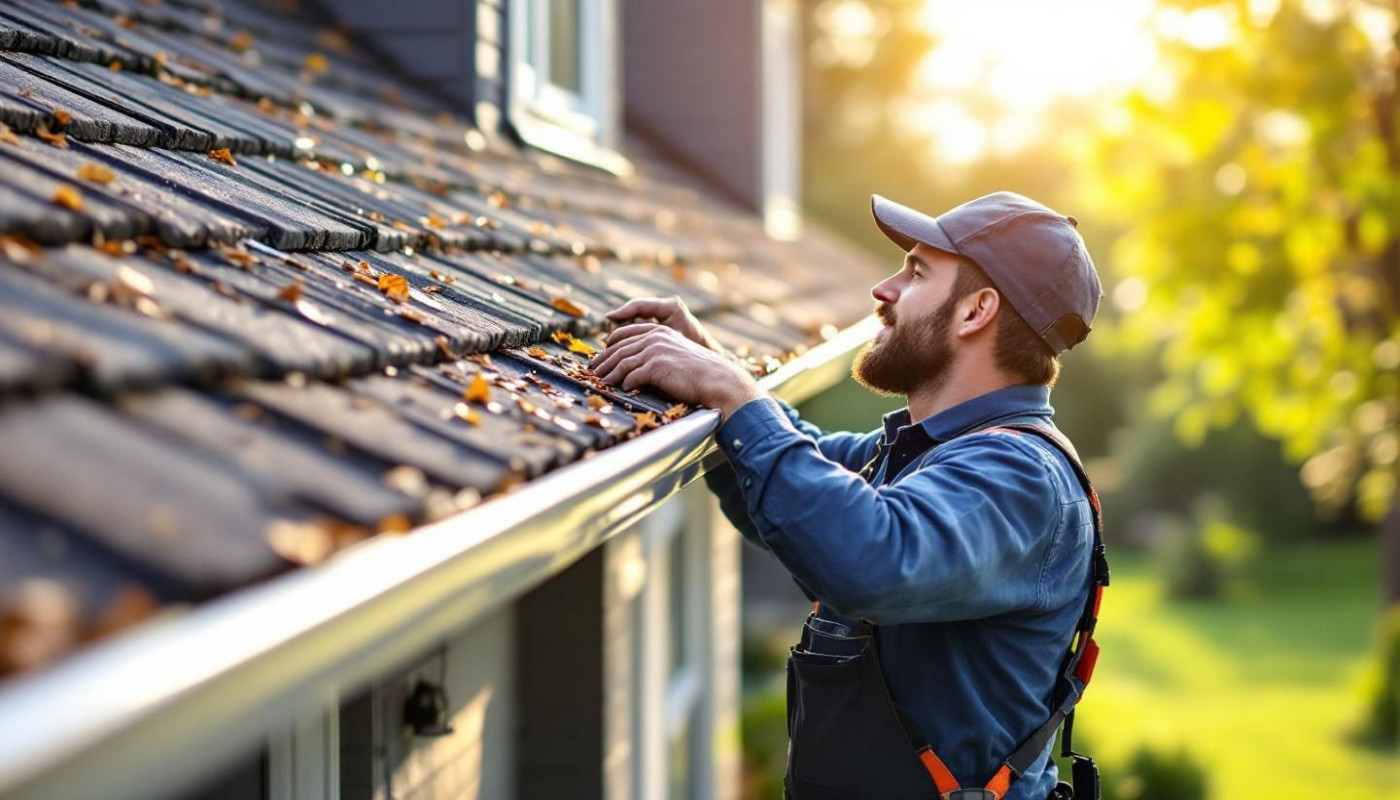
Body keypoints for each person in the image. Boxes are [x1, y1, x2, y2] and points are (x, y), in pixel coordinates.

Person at [590, 192, 1108, 800]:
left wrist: (736, 395)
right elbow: (791, 475)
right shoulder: (927, 453)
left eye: (916, 272)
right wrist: (714, 368)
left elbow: (871, 556)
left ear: (976, 311)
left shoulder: (1020, 476)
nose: (883, 290)